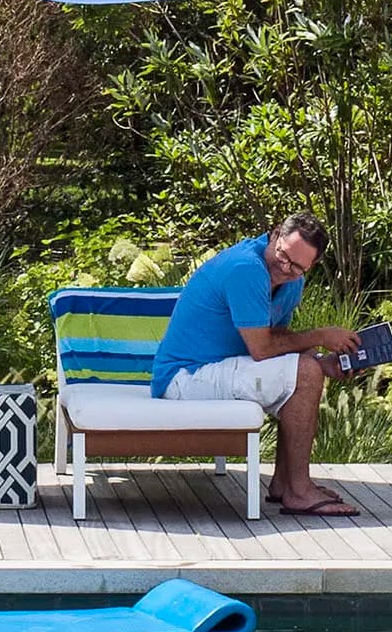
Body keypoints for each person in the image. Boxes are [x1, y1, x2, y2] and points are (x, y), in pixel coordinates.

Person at [149, 213, 362, 518]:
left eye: (298, 266)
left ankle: (284, 483)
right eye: (283, 256)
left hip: (218, 368)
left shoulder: (292, 281)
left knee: (306, 369)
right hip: (185, 377)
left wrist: (322, 362)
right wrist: (320, 336)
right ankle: (299, 492)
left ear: (310, 267)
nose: (286, 268)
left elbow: (278, 338)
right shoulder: (246, 269)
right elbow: (262, 350)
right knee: (303, 372)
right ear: (275, 234)